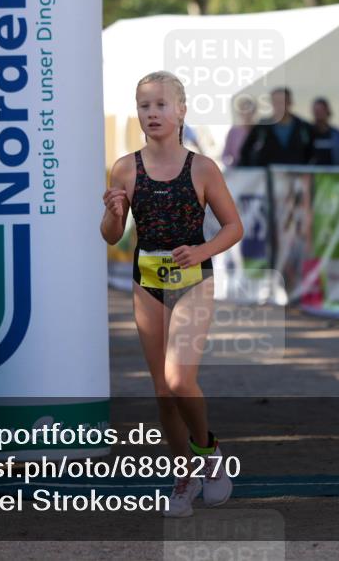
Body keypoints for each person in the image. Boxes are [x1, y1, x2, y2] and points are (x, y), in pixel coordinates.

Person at [101, 70, 243, 518]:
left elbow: (235, 227)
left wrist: (201, 248)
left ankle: (209, 451)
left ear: (181, 110)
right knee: (163, 392)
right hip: (147, 284)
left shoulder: (202, 168)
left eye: (162, 104)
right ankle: (184, 477)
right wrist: (113, 212)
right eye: (145, 106)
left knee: (181, 379)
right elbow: (110, 236)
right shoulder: (126, 167)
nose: (153, 113)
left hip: (193, 281)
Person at [237, 87, 315, 166]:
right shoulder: (262, 127)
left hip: (297, 175)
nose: (279, 106)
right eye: (276, 102)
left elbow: (313, 154)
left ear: (290, 102)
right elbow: (245, 152)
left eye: (282, 102)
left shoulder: (304, 128)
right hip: (268, 175)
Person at [310, 97, 339, 166]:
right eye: (316, 112)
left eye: (321, 111)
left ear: (328, 111)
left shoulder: (338, 136)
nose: (318, 115)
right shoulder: (307, 134)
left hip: (333, 175)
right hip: (313, 175)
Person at [221, 95, 256, 167]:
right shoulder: (233, 132)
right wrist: (230, 164)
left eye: (249, 110)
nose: (246, 113)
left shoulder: (261, 131)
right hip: (239, 170)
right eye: (243, 110)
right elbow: (225, 155)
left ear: (254, 111)